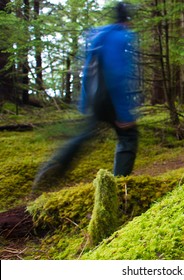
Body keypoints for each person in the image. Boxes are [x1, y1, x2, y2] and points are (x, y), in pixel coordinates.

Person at [32, 2, 141, 193]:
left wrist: (86, 102)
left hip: (94, 97)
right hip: (109, 95)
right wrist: (124, 113)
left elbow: (87, 70)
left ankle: (55, 166)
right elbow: (117, 73)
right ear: (127, 20)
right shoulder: (120, 37)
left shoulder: (99, 36)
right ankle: (117, 189)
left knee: (86, 133)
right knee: (128, 136)